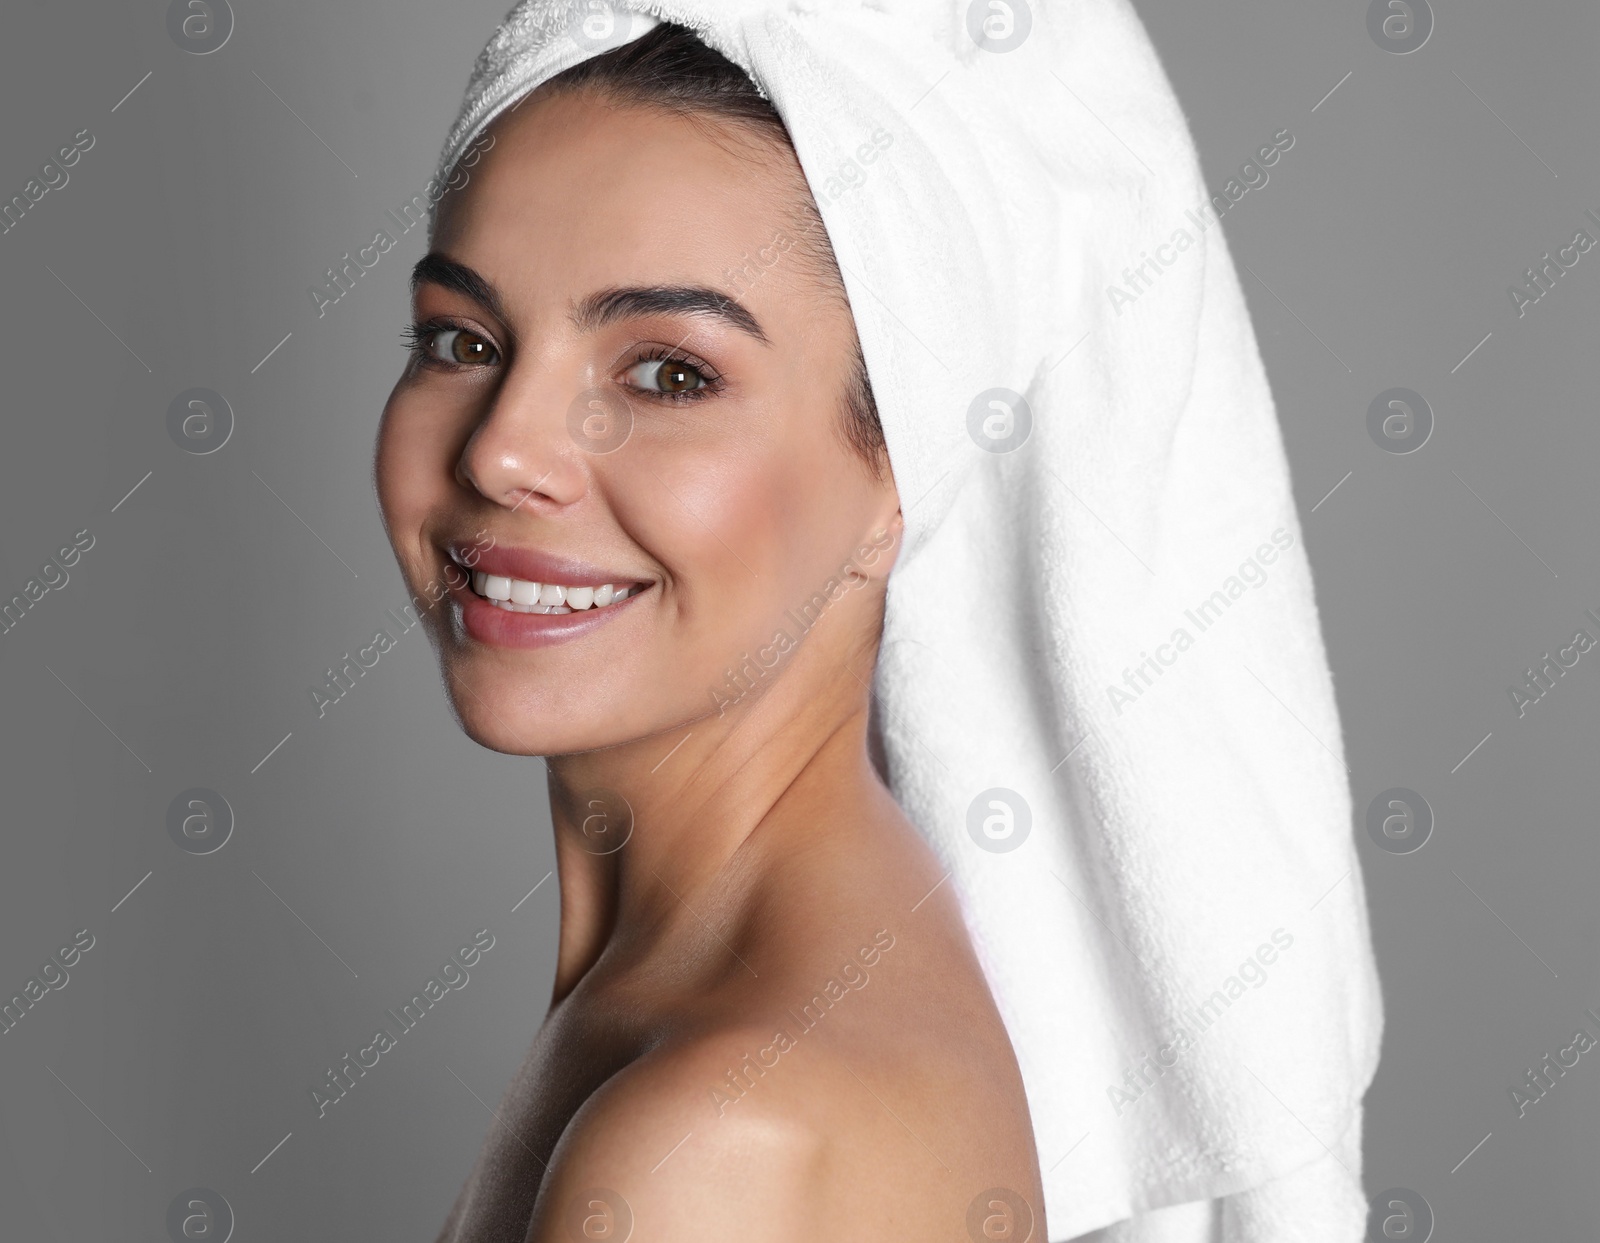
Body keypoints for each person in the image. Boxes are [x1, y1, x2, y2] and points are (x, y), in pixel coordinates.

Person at [377, 22, 1047, 1241]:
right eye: (461, 342)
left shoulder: (709, 1149)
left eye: (668, 375)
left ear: (903, 472)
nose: (501, 449)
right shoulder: (752, 987)